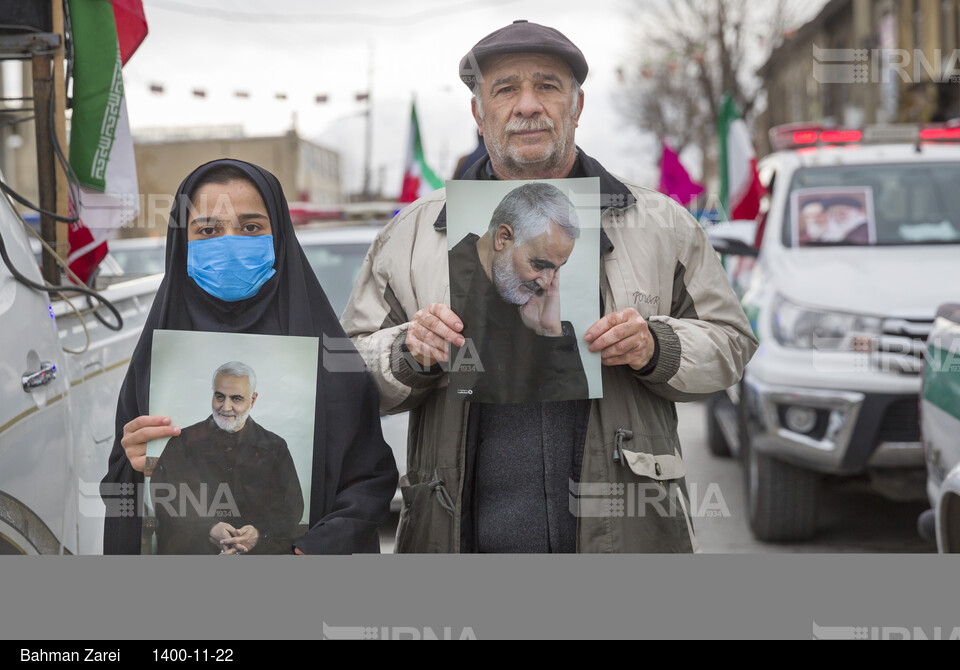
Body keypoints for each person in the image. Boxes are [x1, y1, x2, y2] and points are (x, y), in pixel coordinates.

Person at [341, 20, 758, 553]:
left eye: (547, 86)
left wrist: (658, 347)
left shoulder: (661, 223)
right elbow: (347, 373)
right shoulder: (412, 234)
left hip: (623, 545)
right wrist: (407, 352)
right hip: (462, 544)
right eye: (506, 88)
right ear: (478, 111)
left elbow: (732, 343)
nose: (528, 105)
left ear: (576, 106)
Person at [101, 158, 398, 555]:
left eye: (251, 228)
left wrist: (317, 545)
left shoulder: (332, 366)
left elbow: (370, 480)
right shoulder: (156, 368)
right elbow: (121, 495)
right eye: (207, 230)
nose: (229, 241)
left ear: (279, 237)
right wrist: (135, 465)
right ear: (180, 243)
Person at [449, 182, 588, 403]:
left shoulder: (530, 305)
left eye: (557, 268)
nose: (546, 283)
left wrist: (551, 334)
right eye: (539, 264)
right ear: (503, 238)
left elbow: (573, 412)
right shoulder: (438, 284)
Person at [147, 362, 304, 555]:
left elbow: (292, 508)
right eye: (220, 397)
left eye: (237, 398)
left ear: (252, 400)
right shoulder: (182, 442)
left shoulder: (275, 447)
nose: (226, 407)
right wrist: (208, 528)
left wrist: (259, 533)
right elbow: (163, 496)